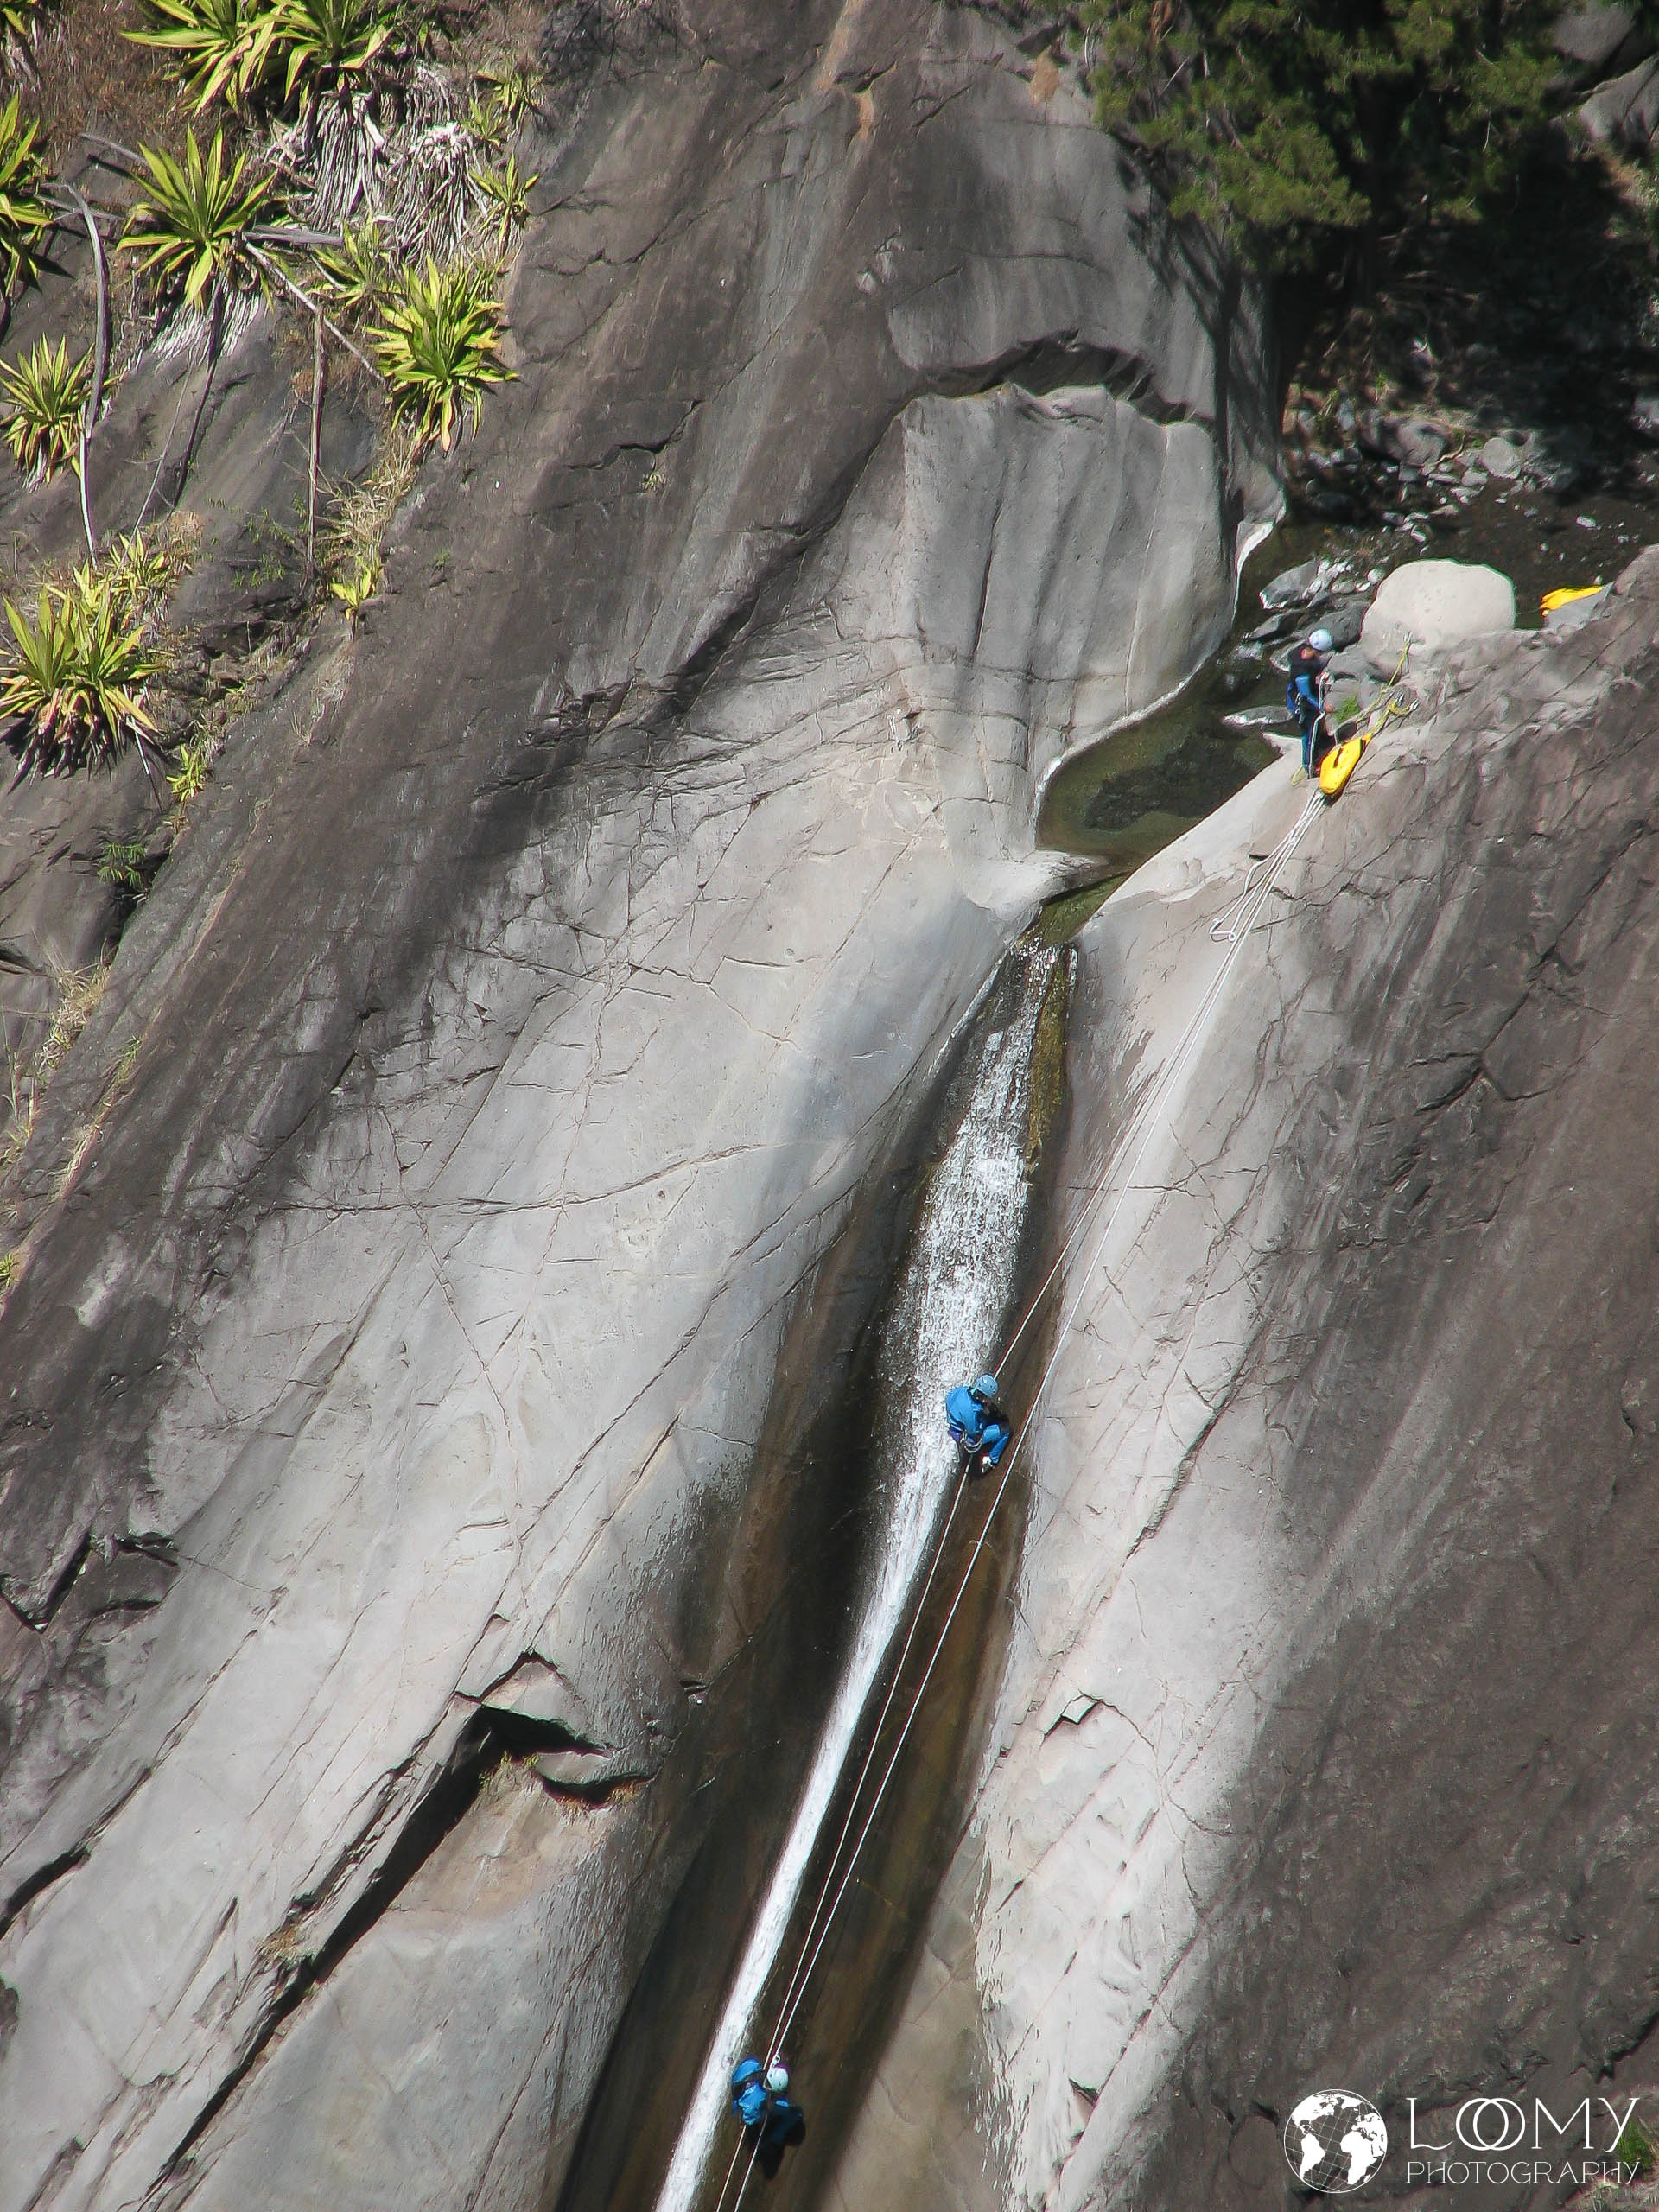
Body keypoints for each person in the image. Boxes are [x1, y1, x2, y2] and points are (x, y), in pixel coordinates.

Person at [730, 2058, 806, 2179]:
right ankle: (772, 2140)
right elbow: (748, 2119)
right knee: (792, 2115)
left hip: (743, 2076)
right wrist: (766, 2110)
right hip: (750, 2106)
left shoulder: (753, 2066)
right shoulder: (756, 2104)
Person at [1286, 626, 1335, 776]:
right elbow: (1306, 695)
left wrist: (1321, 674)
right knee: (1309, 733)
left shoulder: (1302, 651)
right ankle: (1310, 766)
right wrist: (1322, 706)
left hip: (1305, 696)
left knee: (1318, 725)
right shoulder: (1301, 671)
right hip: (1301, 705)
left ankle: (1325, 741)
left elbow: (1315, 667)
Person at [944, 1373, 1011, 1471]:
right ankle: (991, 1460)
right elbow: (974, 1433)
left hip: (955, 1419)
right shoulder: (970, 1413)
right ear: (984, 1397)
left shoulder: (964, 1390)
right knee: (1005, 1430)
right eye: (989, 1398)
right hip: (967, 1436)